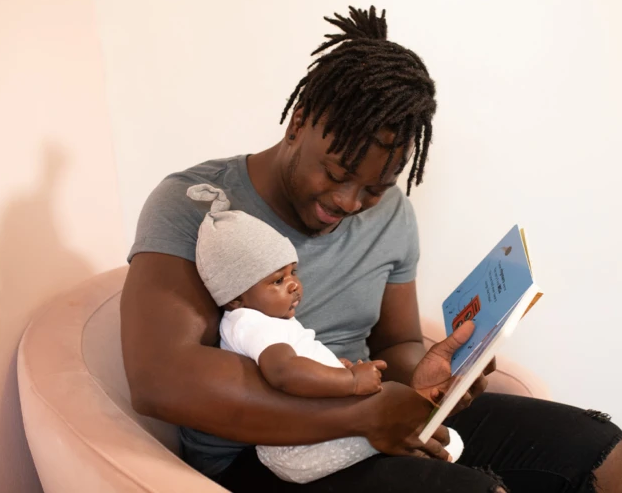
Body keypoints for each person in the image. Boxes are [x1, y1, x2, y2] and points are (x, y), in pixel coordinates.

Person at [121, 6, 622, 493]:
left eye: (374, 188)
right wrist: (360, 414)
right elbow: (160, 379)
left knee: (596, 448)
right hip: (260, 453)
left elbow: (395, 344)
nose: (348, 202)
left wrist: (427, 376)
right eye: (336, 173)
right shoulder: (196, 204)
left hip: (370, 413)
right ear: (298, 123)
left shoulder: (392, 214)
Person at [184, 182, 464, 483]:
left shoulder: (266, 319)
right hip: (296, 448)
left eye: (293, 272)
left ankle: (422, 434)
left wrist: (331, 370)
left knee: (405, 422)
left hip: (307, 436)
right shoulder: (251, 323)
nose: (294, 284)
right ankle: (427, 438)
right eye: (277, 281)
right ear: (235, 298)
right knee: (409, 429)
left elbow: (297, 366)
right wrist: (350, 381)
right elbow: (284, 372)